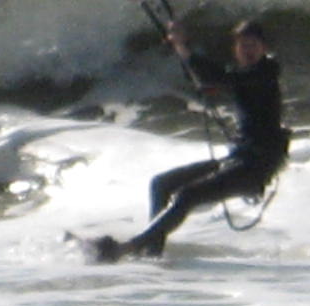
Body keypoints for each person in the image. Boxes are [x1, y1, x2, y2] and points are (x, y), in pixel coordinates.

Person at [90, 18, 289, 260]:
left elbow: (221, 77)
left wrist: (183, 47)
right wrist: (199, 72)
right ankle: (152, 253)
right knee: (160, 184)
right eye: (242, 45)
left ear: (263, 48)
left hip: (256, 167)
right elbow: (224, 79)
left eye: (253, 45)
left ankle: (127, 249)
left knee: (187, 196)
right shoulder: (246, 75)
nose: (247, 51)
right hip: (238, 160)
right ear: (235, 49)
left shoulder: (265, 74)